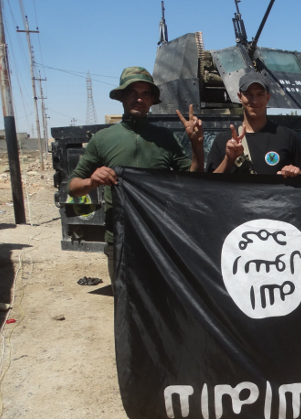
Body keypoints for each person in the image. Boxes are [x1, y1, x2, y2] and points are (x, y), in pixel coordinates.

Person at [68, 66, 205, 286]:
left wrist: (196, 146)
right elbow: (73, 187)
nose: (139, 99)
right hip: (120, 239)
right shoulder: (102, 139)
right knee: (125, 307)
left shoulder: (165, 138)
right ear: (121, 97)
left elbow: (193, 182)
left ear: (152, 100)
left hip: (160, 238)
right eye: (132, 92)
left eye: (145, 94)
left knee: (162, 305)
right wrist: (91, 181)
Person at [207, 72, 301, 177]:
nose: (254, 100)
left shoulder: (288, 136)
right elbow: (210, 186)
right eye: (248, 94)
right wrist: (228, 159)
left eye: (260, 94)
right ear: (240, 97)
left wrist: (294, 173)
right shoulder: (223, 140)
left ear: (268, 97)